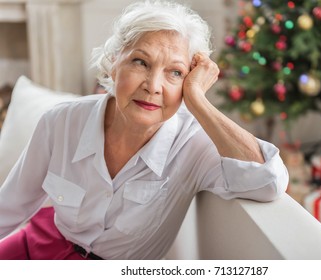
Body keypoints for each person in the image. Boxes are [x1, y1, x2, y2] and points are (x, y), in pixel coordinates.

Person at [0, 0, 288, 260]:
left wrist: (198, 100)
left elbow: (268, 182)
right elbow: (9, 207)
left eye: (175, 72)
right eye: (141, 62)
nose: (153, 85)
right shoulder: (60, 122)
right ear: (114, 64)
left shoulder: (194, 146)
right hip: (36, 246)